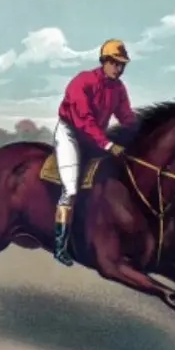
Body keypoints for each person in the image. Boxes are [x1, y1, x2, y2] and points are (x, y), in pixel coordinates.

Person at [52, 39, 137, 266]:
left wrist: (141, 131)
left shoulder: (118, 88)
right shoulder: (83, 81)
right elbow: (84, 121)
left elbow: (126, 116)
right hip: (71, 133)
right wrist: (108, 145)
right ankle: (60, 245)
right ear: (104, 61)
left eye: (122, 64)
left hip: (94, 136)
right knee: (71, 190)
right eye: (115, 63)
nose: (119, 69)